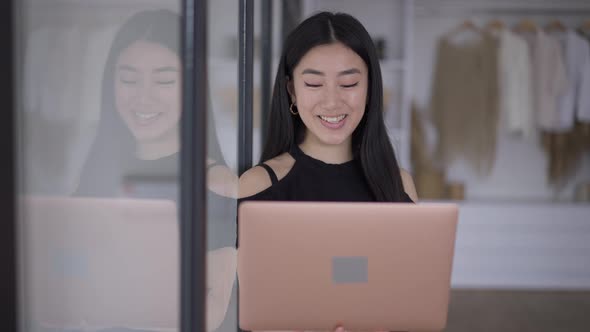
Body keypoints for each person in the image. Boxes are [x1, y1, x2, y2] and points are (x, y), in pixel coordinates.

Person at [238, 11, 418, 332]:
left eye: (348, 83)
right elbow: (248, 309)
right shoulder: (256, 187)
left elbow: (410, 302)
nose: (332, 101)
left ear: (370, 88)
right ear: (292, 91)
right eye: (313, 83)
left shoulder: (398, 183)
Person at [72, 9, 237, 332]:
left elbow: (213, 307)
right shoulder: (97, 166)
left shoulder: (215, 183)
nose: (142, 97)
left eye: (164, 80)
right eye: (128, 79)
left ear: (192, 89)